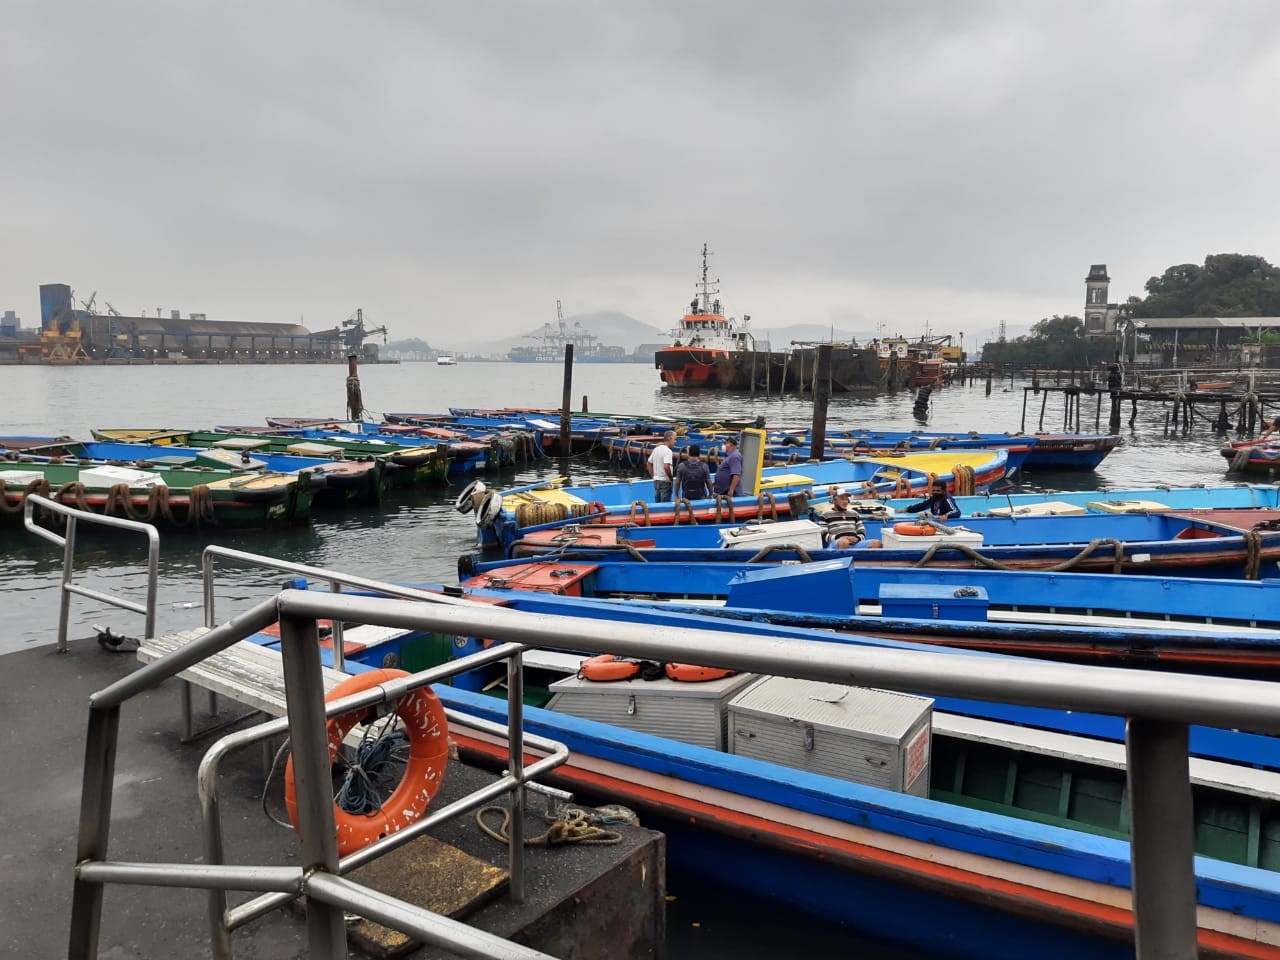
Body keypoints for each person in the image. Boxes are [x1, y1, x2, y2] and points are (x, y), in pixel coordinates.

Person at [646, 430, 676, 502]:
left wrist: (653, 476)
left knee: (658, 502)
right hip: (665, 481)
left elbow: (649, 463)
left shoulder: (656, 449)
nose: (675, 441)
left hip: (656, 481)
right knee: (665, 504)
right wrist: (670, 478)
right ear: (670, 439)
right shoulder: (668, 451)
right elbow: (666, 466)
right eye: (675, 439)